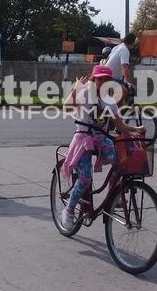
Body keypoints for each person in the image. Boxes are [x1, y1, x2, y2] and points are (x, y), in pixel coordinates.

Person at [59, 65, 145, 230]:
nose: (103, 82)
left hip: (101, 139)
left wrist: (135, 129)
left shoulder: (109, 100)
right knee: (85, 178)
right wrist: (75, 90)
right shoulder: (84, 94)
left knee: (122, 164)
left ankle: (115, 196)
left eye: (107, 79)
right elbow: (66, 107)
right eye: (100, 79)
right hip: (83, 140)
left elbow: (119, 125)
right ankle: (69, 210)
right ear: (94, 79)